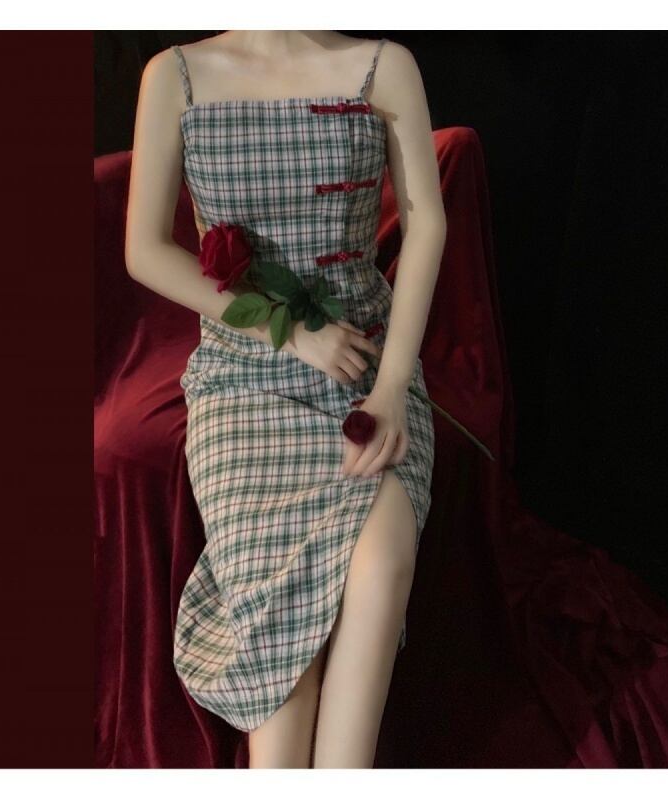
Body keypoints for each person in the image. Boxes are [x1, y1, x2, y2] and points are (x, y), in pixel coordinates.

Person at [124, 30, 445, 768]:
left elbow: (427, 222)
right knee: (277, 618)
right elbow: (145, 248)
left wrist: (393, 387)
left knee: (382, 562)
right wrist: (291, 331)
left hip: (368, 370)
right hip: (244, 380)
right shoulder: (174, 76)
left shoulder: (383, 65)